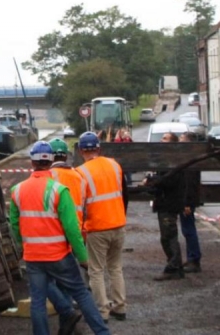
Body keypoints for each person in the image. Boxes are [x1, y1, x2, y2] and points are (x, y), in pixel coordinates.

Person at [9, 141, 110, 335]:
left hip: (33, 257)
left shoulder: (17, 191)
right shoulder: (59, 190)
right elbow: (72, 229)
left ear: (32, 163)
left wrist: (23, 247)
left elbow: (14, 224)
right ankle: (102, 332)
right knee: (81, 293)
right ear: (51, 161)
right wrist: (83, 258)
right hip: (59, 256)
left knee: (37, 301)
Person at [76, 131, 128, 323]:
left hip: (97, 227)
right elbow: (122, 192)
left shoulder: (81, 172)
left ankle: (103, 311)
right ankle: (120, 307)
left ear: (81, 151)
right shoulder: (115, 165)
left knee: (96, 270)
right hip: (118, 223)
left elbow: (81, 204)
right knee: (115, 267)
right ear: (99, 148)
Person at [142, 132, 186, 281]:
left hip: (169, 203)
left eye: (165, 138)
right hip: (164, 202)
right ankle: (176, 266)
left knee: (169, 236)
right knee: (166, 236)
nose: (162, 140)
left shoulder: (173, 161)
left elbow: (168, 181)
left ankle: (173, 268)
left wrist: (152, 181)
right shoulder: (166, 160)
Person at [180, 131, 204, 273]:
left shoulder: (190, 161)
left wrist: (187, 203)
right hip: (188, 199)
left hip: (188, 200)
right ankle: (191, 258)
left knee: (189, 230)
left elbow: (189, 183)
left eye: (182, 139)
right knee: (187, 229)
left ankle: (194, 259)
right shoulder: (191, 158)